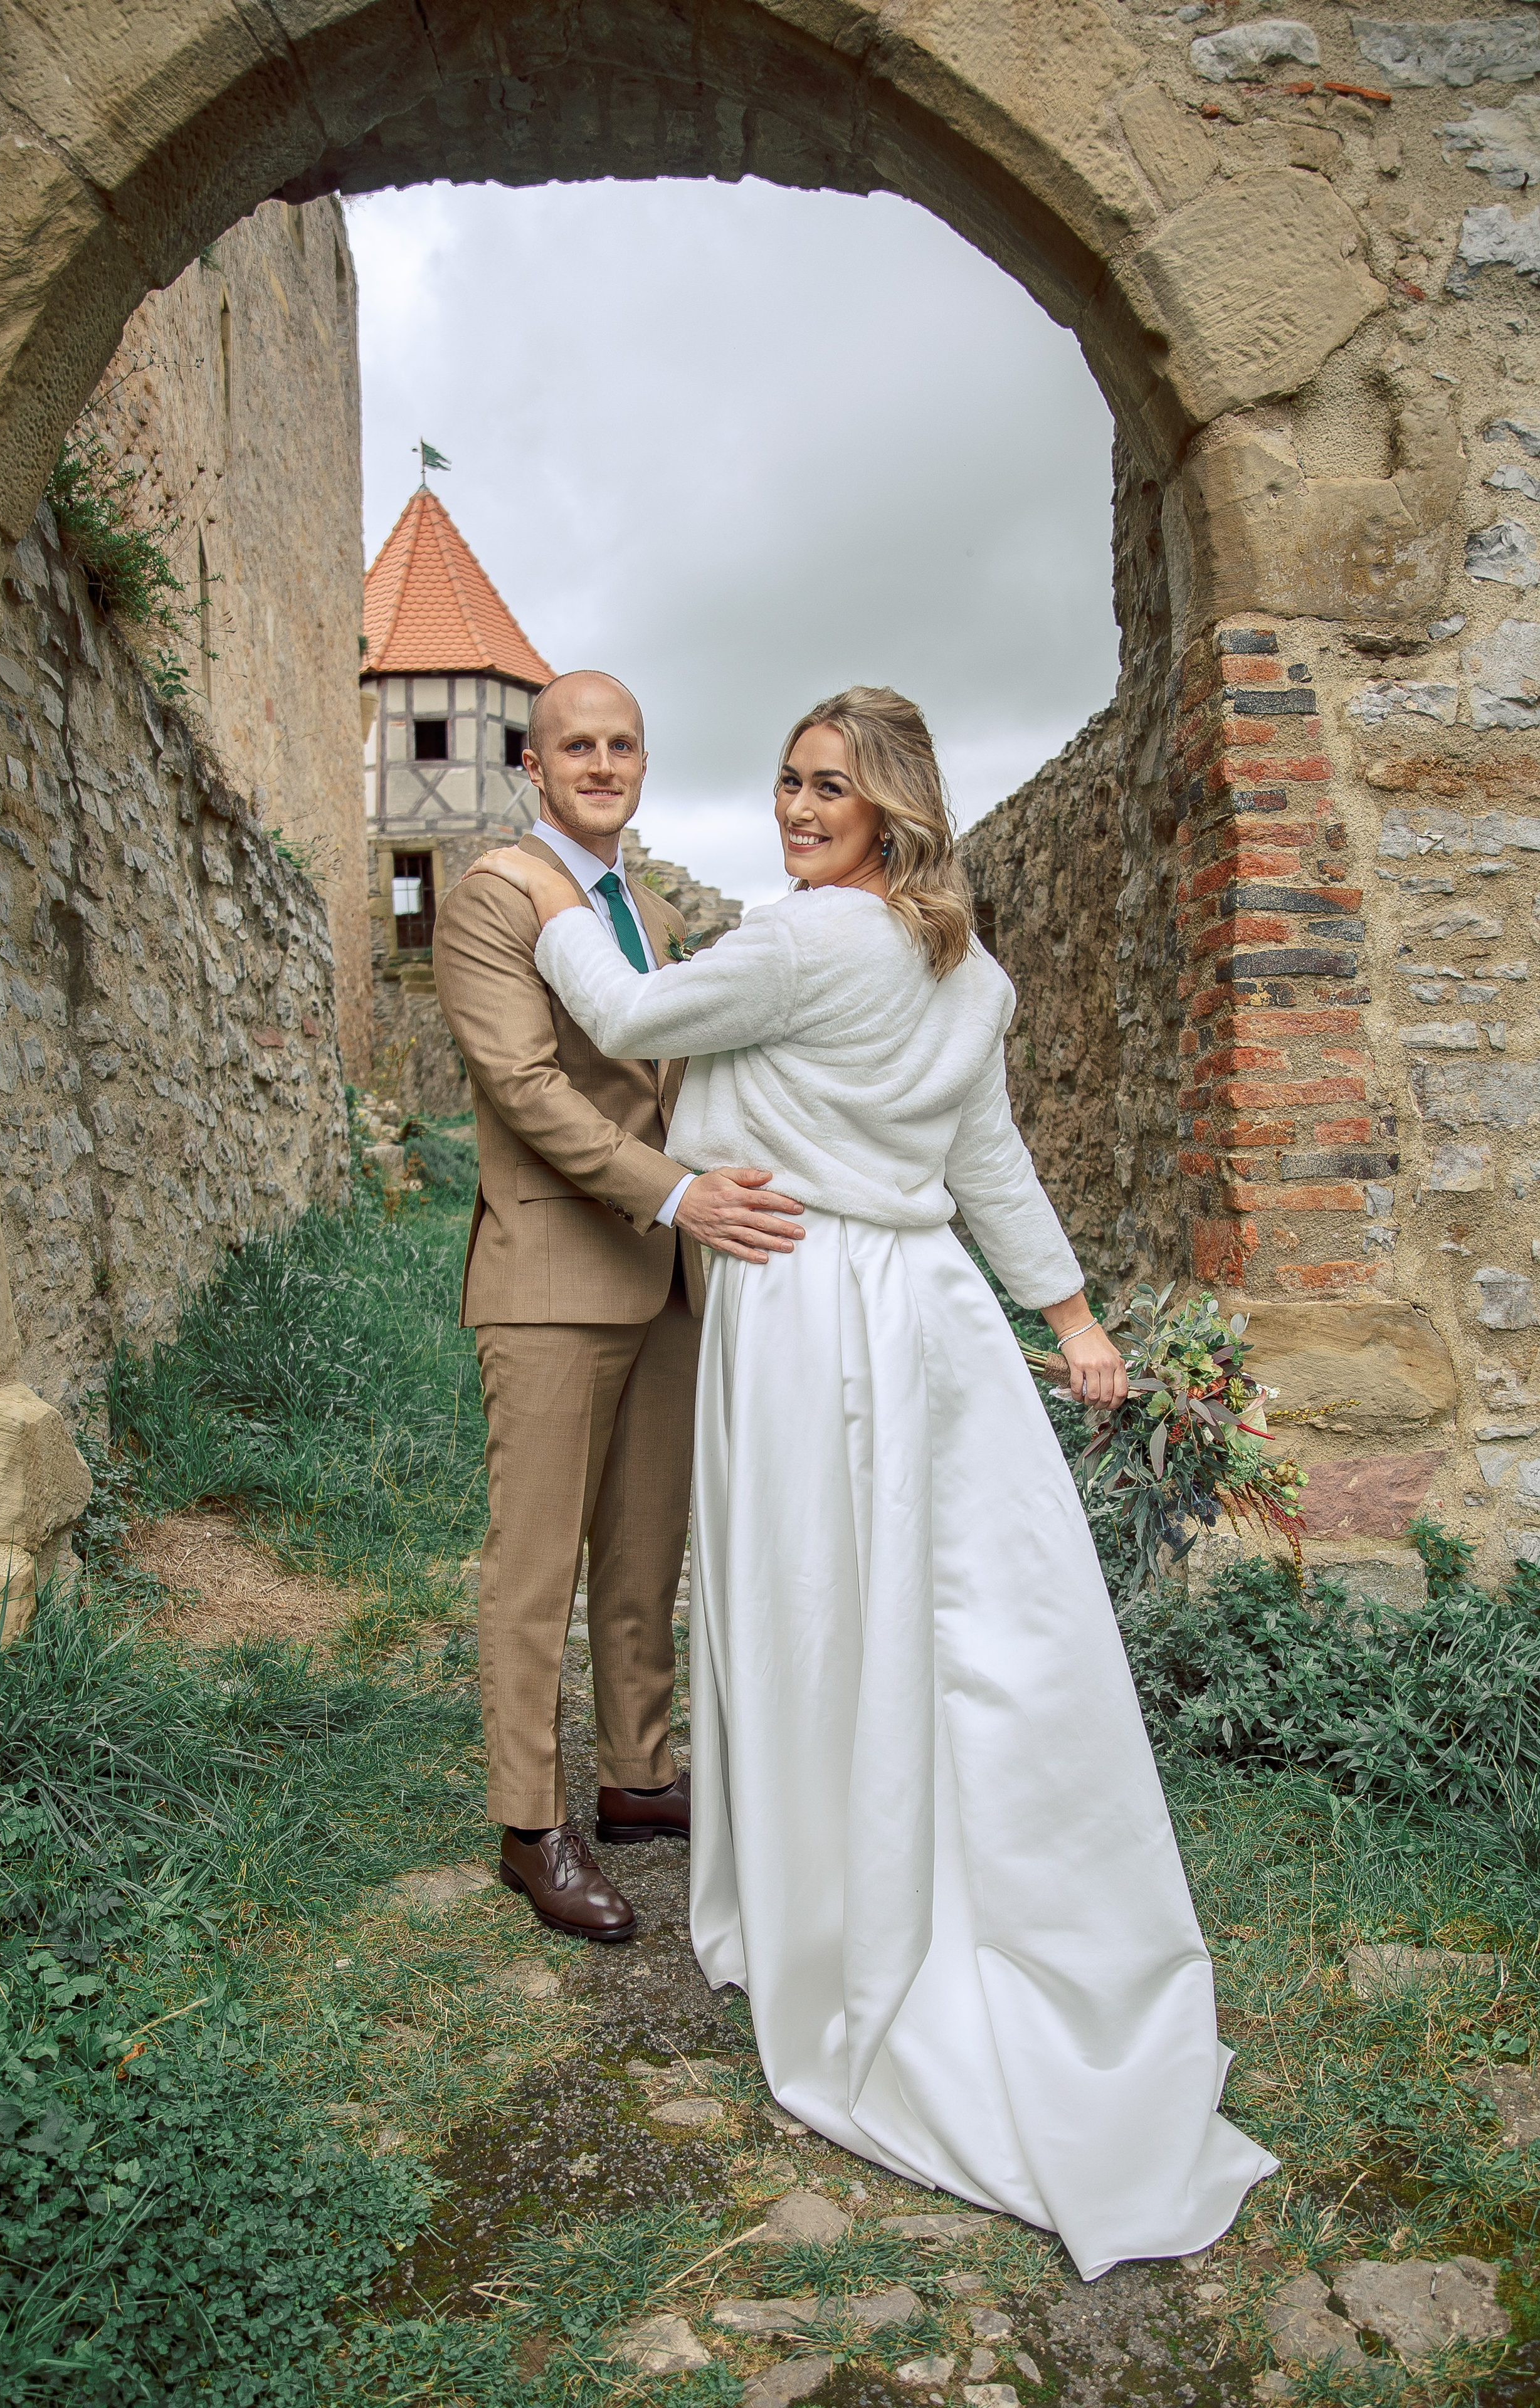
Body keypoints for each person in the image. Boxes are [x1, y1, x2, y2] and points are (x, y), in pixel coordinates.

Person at [470, 684, 1277, 2281]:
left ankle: (820, 1888)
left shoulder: (803, 939)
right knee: (946, 1604)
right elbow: (987, 1158)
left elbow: (628, 1025)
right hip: (928, 1313)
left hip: (797, 1299)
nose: (790, 809)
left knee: (803, 1595)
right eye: (781, 781)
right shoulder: (963, 966)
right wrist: (1071, 1314)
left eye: (825, 786)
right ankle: (921, 1849)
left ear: (891, 806)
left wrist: (554, 895)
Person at [432, 670, 804, 1945]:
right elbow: (529, 1091)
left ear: (642, 762)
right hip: (551, 1274)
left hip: (662, 1280)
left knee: (648, 1550)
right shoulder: (493, 898)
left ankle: (637, 1775)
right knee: (536, 1566)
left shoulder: (642, 908)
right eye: (573, 746)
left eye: (621, 743)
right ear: (531, 770)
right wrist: (681, 1194)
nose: (600, 762)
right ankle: (530, 1827)